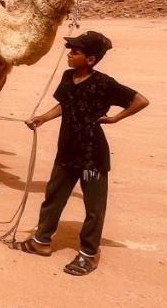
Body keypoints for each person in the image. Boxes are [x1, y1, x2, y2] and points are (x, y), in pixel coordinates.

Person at [16, 31, 150, 276]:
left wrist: (115, 118)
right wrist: (42, 119)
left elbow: (141, 100)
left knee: (94, 207)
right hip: (67, 149)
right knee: (53, 197)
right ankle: (42, 241)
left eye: (75, 52)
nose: (69, 55)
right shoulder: (68, 77)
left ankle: (89, 253)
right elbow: (65, 103)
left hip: (93, 155)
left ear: (90, 59)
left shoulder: (105, 83)